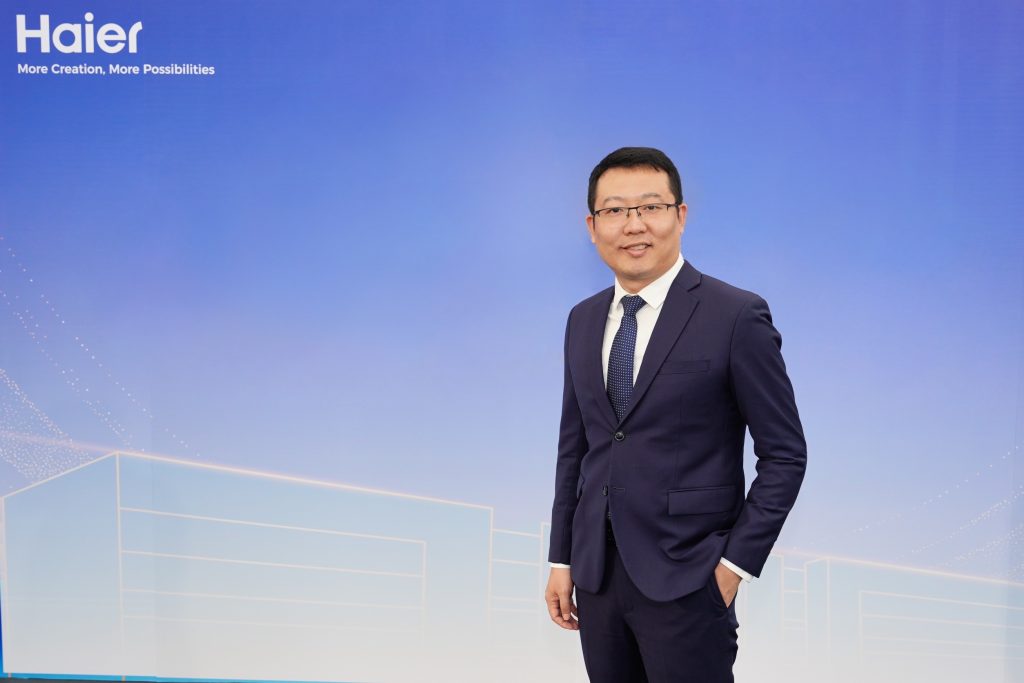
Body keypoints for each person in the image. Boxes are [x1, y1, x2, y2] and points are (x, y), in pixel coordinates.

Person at [544, 147, 807, 682]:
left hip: (691, 579)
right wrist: (562, 559)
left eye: (651, 207)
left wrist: (732, 568)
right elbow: (576, 449)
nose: (633, 225)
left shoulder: (735, 315)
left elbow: (785, 455)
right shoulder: (582, 319)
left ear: (680, 216)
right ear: (592, 227)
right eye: (615, 211)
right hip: (596, 578)